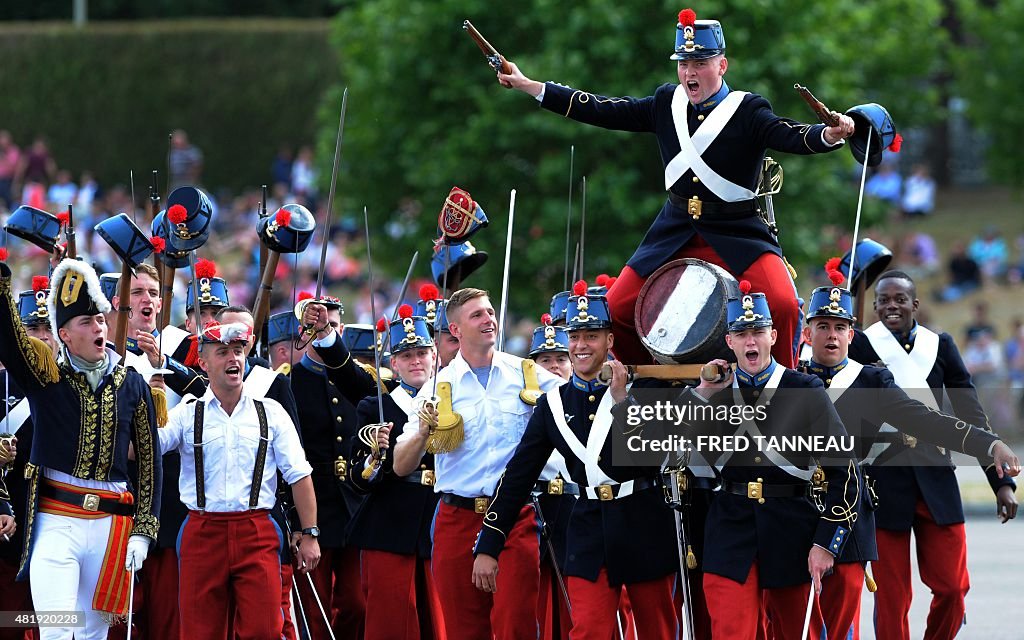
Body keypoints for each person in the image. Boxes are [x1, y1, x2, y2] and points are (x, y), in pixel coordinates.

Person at [495, 8, 855, 368]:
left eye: (699, 62)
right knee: (614, 311)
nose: (689, 72)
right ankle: (650, 383)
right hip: (675, 227)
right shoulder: (666, 102)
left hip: (736, 228)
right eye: (683, 64)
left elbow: (789, 134)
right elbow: (603, 109)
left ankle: (779, 389)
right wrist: (530, 86)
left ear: (722, 65)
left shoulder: (748, 109)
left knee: (781, 303)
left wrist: (829, 134)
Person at [800, 268, 1020, 639]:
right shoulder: (862, 347)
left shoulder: (941, 345)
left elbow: (966, 414)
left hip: (935, 474)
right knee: (891, 599)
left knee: (953, 588)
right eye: (883, 300)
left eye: (900, 299)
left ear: (915, 304)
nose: (891, 307)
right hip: (882, 481)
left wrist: (1001, 480)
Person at [473, 283, 679, 638]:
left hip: (641, 520)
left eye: (592, 336)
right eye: (576, 336)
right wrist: (489, 543)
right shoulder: (552, 405)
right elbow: (519, 475)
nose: (581, 345)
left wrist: (621, 403)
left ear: (610, 341)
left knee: (656, 631)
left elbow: (653, 456)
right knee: (587, 630)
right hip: (586, 527)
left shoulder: (644, 389)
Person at [684, 281, 858, 639]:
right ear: (729, 342)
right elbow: (671, 452)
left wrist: (827, 541)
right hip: (730, 526)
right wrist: (701, 394)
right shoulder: (713, 394)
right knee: (731, 630)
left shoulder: (804, 389)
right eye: (742, 333)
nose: (751, 342)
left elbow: (844, 469)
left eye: (758, 332)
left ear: (773, 335)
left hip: (793, 526)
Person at [0, 256, 161, 640]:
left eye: (101, 320)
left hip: (112, 526)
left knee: (94, 634)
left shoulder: (131, 383)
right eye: (87, 322)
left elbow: (150, 459)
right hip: (58, 522)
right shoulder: (45, 375)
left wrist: (145, 529)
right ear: (65, 335)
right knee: (56, 630)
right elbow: (9, 338)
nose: (98, 328)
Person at [394, 287, 563, 640]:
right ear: (454, 330)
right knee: (463, 629)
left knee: (516, 623)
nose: (489, 320)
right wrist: (423, 432)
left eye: (489, 312)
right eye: (477, 315)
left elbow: (575, 403)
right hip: (457, 519)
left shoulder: (528, 373)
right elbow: (400, 465)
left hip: (514, 515)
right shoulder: (438, 386)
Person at [158, 320, 319, 639]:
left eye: (238, 351)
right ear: (203, 363)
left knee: (264, 629)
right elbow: (146, 446)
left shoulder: (270, 412)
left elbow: (300, 474)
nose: (233, 359)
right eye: (223, 352)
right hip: (203, 531)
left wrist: (310, 532)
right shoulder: (187, 413)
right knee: (200, 631)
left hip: (255, 530)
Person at [347, 305, 445, 640]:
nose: (415, 361)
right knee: (391, 620)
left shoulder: (455, 398)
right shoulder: (376, 406)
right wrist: (376, 456)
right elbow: (359, 477)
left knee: (442, 620)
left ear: (435, 356)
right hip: (389, 520)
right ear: (393, 363)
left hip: (440, 516)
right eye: (406, 356)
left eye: (422, 353)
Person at [292, 296, 377, 640]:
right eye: (317, 327)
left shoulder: (357, 378)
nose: (328, 333)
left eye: (334, 327)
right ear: (304, 333)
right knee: (314, 606)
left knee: (357, 603)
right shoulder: (289, 383)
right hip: (314, 503)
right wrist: (299, 523)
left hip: (354, 502)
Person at [0, 274, 55, 640]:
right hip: (12, 524)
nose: (42, 336)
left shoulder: (70, 384)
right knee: (10, 620)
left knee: (59, 621)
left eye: (49, 327)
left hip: (58, 522)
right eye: (33, 327)